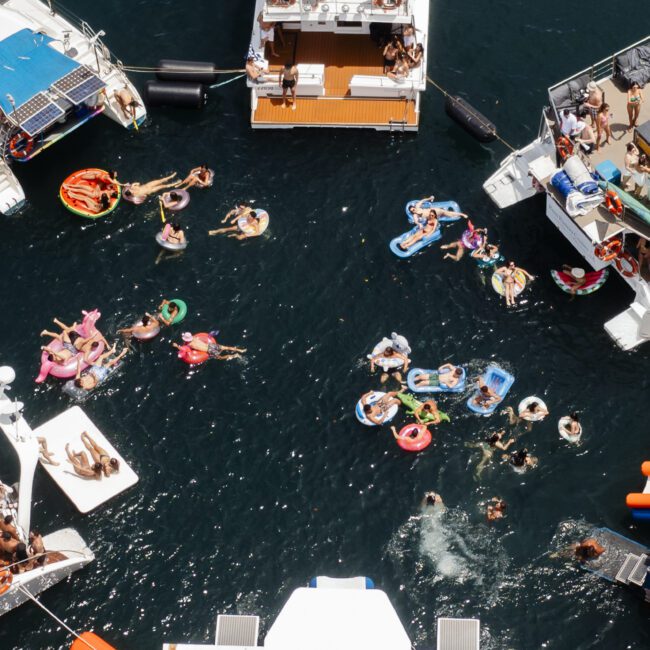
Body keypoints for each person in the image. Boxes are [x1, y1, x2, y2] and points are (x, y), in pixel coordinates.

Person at [173, 332, 246, 361]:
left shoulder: (189, 344)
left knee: (220, 358)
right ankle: (240, 350)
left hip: (209, 350)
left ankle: (235, 355)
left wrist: (176, 346)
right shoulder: (194, 338)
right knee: (226, 347)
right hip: (211, 345)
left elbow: (183, 348)